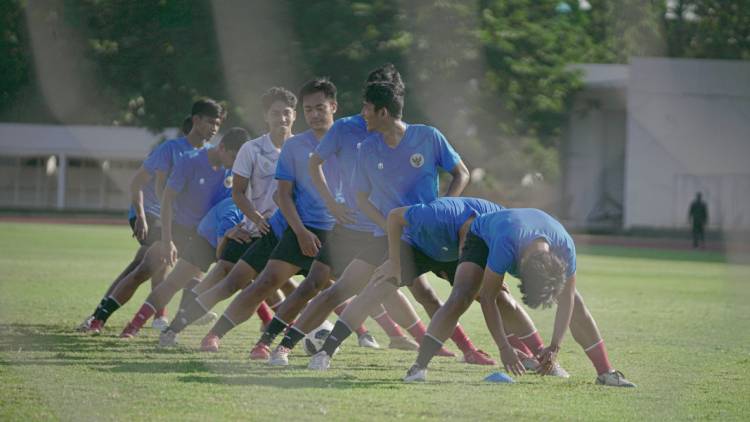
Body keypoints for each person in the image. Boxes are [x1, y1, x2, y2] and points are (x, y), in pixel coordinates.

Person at [276, 80, 471, 369]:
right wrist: (389, 225)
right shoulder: (367, 147)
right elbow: (360, 196)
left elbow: (461, 173)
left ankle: (522, 351)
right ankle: (297, 349)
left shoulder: (428, 137)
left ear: (382, 112)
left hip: (432, 234)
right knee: (350, 290)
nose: (362, 113)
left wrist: (442, 209)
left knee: (479, 291)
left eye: (366, 108)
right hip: (389, 236)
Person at [252, 65, 429, 361]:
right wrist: (332, 203)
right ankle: (272, 342)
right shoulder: (345, 128)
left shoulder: (407, 134)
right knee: (318, 285)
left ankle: (444, 347)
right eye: (370, 95)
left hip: (385, 231)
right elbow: (314, 165)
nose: (370, 104)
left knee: (412, 290)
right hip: (349, 228)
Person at [309, 197, 566, 373]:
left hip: (456, 250)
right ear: (470, 222)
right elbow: (394, 217)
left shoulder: (497, 223)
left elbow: (490, 255)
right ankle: (326, 351)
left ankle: (542, 357)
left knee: (502, 298)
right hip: (417, 246)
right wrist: (396, 263)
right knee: (377, 290)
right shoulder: (435, 214)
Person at [402, 208, 636, 387]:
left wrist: (555, 346)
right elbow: (489, 299)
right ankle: (418, 367)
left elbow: (567, 300)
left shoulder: (565, 249)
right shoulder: (505, 245)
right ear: (520, 267)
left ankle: (606, 373)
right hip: (483, 234)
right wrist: (504, 347)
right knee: (463, 294)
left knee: (577, 302)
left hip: (526, 232)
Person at [159, 87, 300, 344]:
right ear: (265, 117)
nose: (282, 118)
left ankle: (305, 334)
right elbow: (237, 192)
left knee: (309, 282)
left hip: (290, 233)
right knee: (223, 279)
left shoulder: (302, 149)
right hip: (254, 231)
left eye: (287, 113)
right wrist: (255, 218)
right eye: (275, 113)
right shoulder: (251, 149)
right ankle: (173, 329)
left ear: (295, 116)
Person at [84, 99, 224, 334]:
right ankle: (105, 317)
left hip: (183, 223)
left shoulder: (212, 154)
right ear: (196, 120)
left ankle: (171, 314)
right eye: (210, 122)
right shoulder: (170, 149)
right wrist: (140, 215)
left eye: (218, 124)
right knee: (150, 264)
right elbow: (138, 183)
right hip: (152, 214)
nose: (214, 129)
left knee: (160, 265)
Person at [116, 127, 247, 338]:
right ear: (222, 148)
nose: (234, 163)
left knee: (245, 281)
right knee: (161, 276)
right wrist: (167, 240)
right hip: (202, 234)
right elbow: (166, 199)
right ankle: (128, 326)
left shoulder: (236, 168)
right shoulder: (190, 160)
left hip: (224, 230)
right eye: (233, 157)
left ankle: (177, 326)